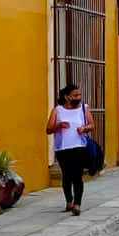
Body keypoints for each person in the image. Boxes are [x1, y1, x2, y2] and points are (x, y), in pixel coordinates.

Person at [46, 83, 94, 216]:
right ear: (67, 97)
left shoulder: (84, 109)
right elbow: (48, 130)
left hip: (80, 147)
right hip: (62, 148)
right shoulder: (58, 110)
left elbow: (92, 125)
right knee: (67, 175)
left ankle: (77, 204)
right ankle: (69, 201)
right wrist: (59, 125)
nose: (78, 97)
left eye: (79, 95)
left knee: (77, 175)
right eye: (75, 95)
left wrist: (84, 128)